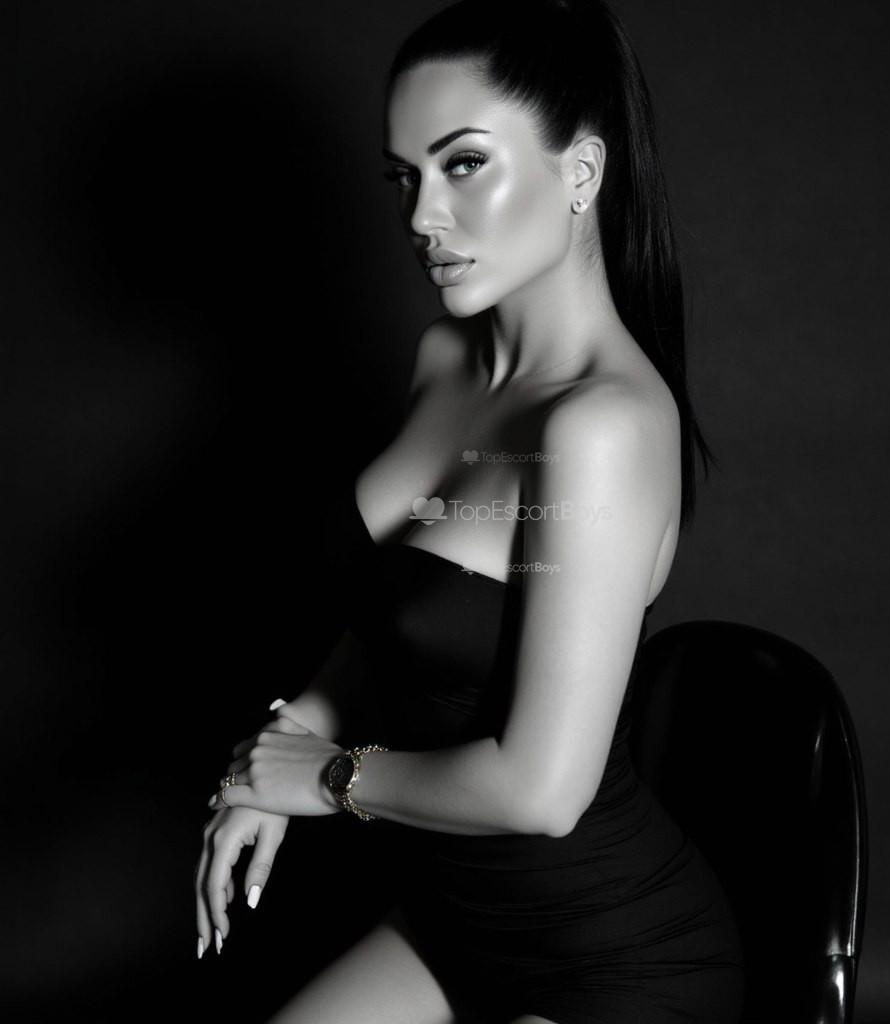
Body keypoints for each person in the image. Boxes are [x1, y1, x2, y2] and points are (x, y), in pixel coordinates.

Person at [194, 1, 744, 1021]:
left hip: (613, 960)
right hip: (453, 919)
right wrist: (283, 743)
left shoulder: (602, 426)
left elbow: (542, 791)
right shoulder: (445, 360)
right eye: (404, 176)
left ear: (581, 172)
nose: (420, 217)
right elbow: (398, 613)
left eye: (463, 164)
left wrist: (325, 779)